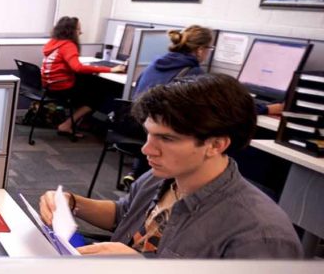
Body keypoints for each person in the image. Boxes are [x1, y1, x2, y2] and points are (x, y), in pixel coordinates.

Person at [38, 74, 301, 259]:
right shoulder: (162, 176)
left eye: (166, 138)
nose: (146, 149)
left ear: (216, 144)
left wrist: (145, 273)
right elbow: (124, 214)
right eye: (149, 134)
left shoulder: (260, 234)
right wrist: (72, 203)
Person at [124, 25, 213, 188]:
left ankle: (138, 176)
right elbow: (215, 103)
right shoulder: (194, 73)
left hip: (134, 126)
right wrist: (264, 109)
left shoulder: (154, 63)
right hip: (158, 133)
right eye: (209, 48)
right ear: (200, 50)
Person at [41, 16, 126, 138]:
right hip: (61, 87)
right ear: (70, 31)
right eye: (78, 29)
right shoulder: (68, 45)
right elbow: (77, 68)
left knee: (94, 84)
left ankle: (83, 121)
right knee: (98, 95)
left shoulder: (53, 43)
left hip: (51, 85)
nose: (80, 32)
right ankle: (67, 124)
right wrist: (111, 69)